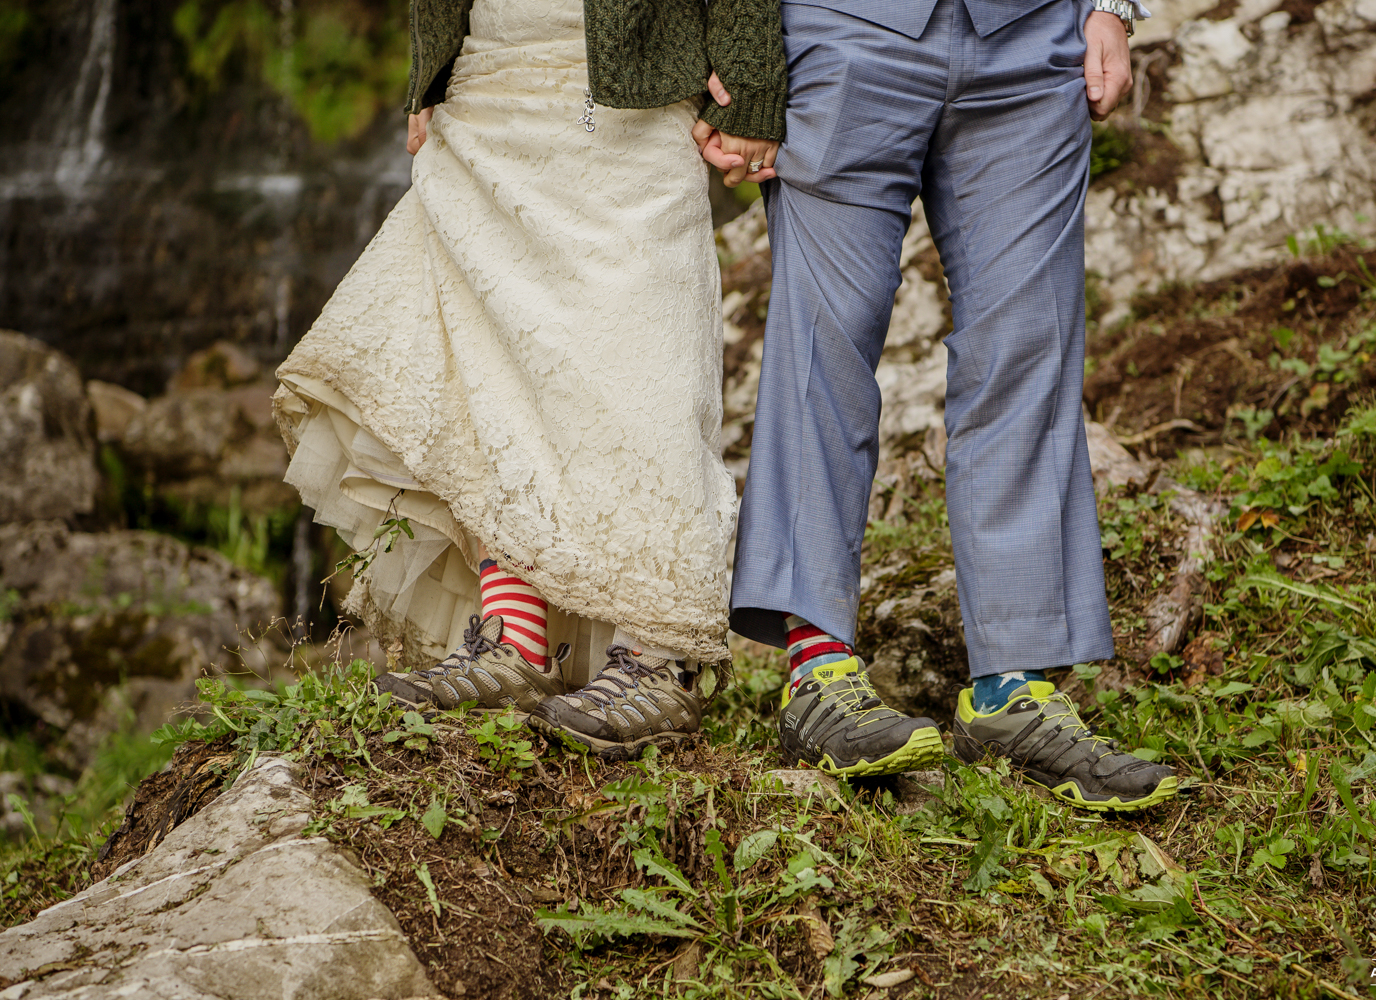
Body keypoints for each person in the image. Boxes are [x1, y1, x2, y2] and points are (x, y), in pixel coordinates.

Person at [272, 0, 785, 761]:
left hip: (634, 79)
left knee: (645, 362)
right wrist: (431, 71)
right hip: (487, 71)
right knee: (487, 359)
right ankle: (514, 640)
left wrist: (752, 79)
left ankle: (658, 650)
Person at [709, 0, 1178, 809]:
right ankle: (817, 672)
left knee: (1028, 346)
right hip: (842, 33)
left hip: (1032, 41)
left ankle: (1012, 691)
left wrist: (1110, 7)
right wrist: (748, 71)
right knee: (823, 342)